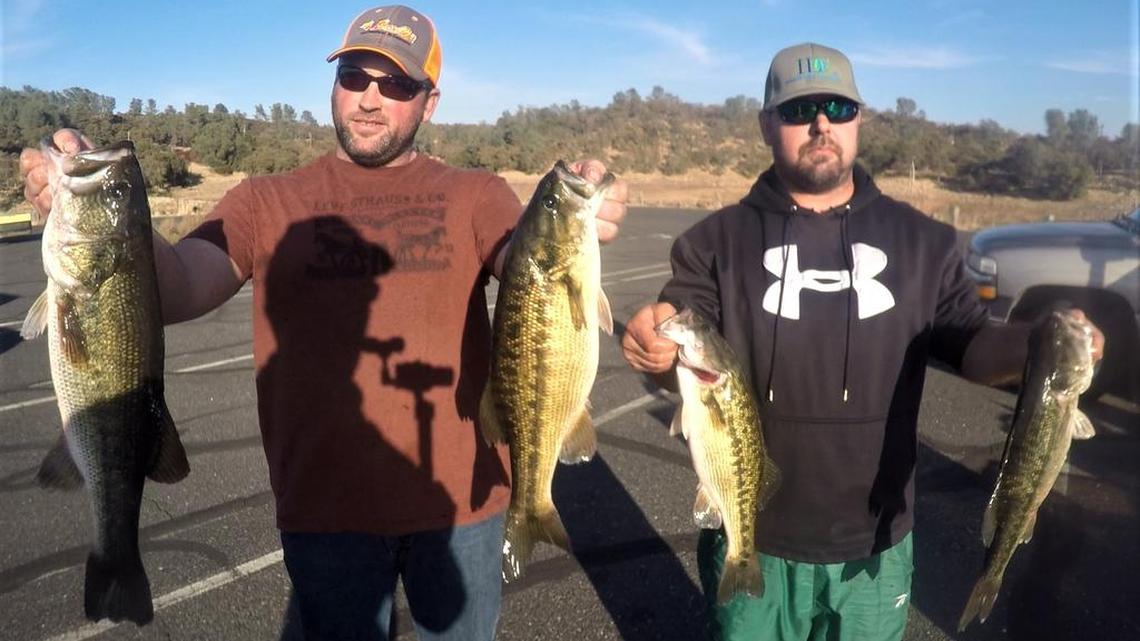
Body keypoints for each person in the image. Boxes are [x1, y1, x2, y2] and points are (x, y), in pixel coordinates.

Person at [21, 5, 627, 640]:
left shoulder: (478, 193)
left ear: (429, 102)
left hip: (466, 511)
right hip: (323, 516)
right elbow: (177, 287)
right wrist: (101, 214)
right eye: (354, 76)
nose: (369, 98)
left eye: (396, 84)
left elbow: (532, 265)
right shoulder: (264, 200)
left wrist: (583, 215)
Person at [620, 42, 1103, 641]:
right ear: (766, 123)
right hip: (752, 533)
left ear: (859, 118)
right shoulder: (714, 240)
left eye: (837, 107)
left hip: (875, 547)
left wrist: (1045, 345)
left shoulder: (923, 241)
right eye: (799, 110)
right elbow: (680, 314)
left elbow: (972, 344)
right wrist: (653, 335)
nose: (821, 124)